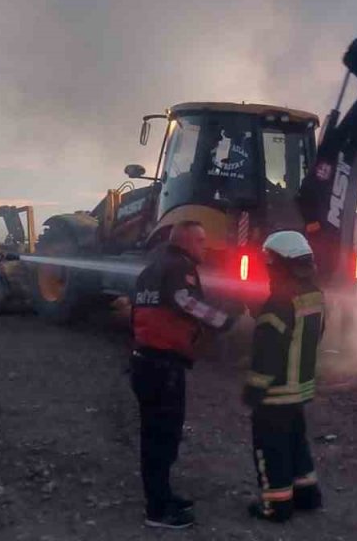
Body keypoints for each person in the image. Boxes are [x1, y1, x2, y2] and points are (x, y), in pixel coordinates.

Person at [130, 219, 252, 529]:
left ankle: (163, 496)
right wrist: (224, 321)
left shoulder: (152, 268)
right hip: (163, 366)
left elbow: (140, 311)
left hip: (146, 362)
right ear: (184, 241)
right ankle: (157, 511)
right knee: (162, 439)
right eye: (199, 240)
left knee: (156, 436)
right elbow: (186, 302)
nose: (204, 246)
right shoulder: (179, 267)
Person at [244, 230, 325, 523]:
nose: (266, 269)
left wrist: (254, 389)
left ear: (280, 264)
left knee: (271, 447)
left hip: (276, 391)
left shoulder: (279, 302)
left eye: (269, 264)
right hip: (299, 388)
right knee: (295, 441)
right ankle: (307, 494)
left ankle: (275, 506)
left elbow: (267, 353)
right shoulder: (315, 295)